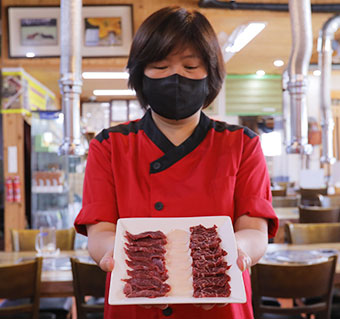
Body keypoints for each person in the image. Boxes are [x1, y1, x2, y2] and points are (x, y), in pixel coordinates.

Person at [75, 6, 278, 319]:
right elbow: (101, 230)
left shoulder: (241, 144)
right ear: (140, 73)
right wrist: (112, 256)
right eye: (160, 65)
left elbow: (253, 228)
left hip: (221, 302)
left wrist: (236, 253)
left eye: (190, 65)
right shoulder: (110, 146)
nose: (176, 76)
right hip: (134, 301)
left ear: (210, 73)